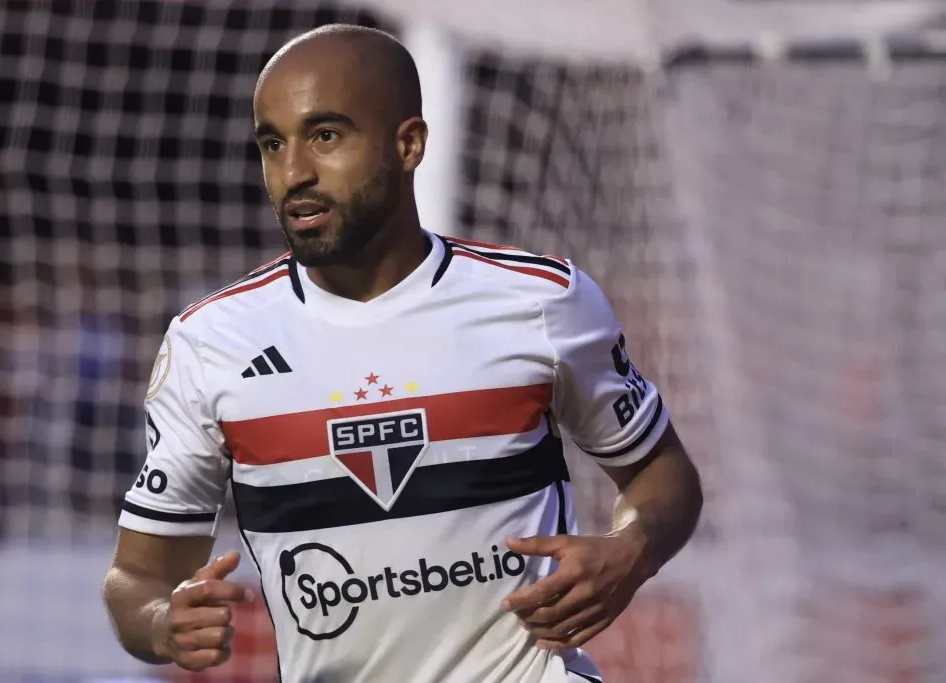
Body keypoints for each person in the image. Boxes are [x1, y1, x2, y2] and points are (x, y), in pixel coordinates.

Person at [102, 23, 703, 683]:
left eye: (325, 136)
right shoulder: (212, 341)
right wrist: (163, 620)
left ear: (409, 143)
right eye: (273, 144)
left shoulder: (540, 301)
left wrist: (632, 547)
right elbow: (138, 575)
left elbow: (660, 470)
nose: (293, 173)